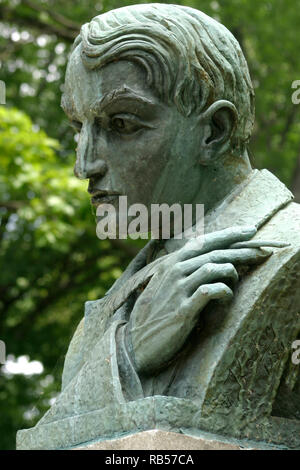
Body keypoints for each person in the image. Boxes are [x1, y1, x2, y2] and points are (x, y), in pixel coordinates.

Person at [17, 4, 300, 450]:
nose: (84, 165)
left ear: (214, 132)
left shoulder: (291, 254)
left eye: (121, 124)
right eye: (79, 126)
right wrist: (128, 354)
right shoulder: (110, 311)